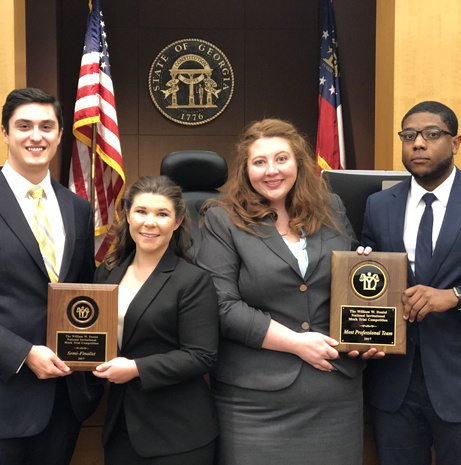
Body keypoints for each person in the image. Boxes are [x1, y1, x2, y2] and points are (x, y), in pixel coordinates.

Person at [196, 118, 366, 465]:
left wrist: (366, 273)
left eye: (281, 159)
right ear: (246, 169)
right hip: (254, 402)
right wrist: (297, 343)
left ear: (299, 163)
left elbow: (348, 290)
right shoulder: (222, 218)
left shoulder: (331, 207)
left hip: (335, 395)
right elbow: (222, 305)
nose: (271, 170)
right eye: (259, 162)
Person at [0, 87, 103, 464]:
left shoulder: (78, 208)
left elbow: (85, 290)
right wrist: (23, 353)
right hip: (6, 392)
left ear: (60, 135)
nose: (36, 136)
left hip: (64, 399)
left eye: (46, 126)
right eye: (24, 126)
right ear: (5, 133)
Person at [360, 101, 461, 465]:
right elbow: (369, 286)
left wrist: (456, 296)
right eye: (408, 136)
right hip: (394, 386)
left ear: (455, 142)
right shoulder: (378, 205)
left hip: (459, 379)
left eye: (431, 134)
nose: (418, 143)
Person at [92, 176, 219, 465]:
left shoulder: (192, 280)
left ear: (177, 222)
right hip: (120, 428)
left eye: (162, 214)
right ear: (127, 215)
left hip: (177, 434)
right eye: (141, 211)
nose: (150, 222)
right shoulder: (107, 273)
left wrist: (136, 368)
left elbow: (202, 355)